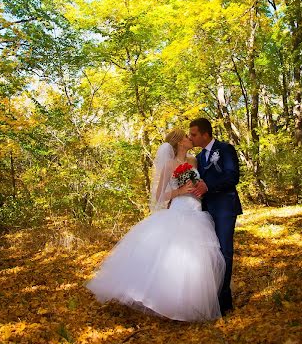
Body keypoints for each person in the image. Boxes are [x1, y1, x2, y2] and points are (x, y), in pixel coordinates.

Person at [86, 128, 226, 322]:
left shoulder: (194, 161)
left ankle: (191, 303)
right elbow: (159, 197)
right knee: (173, 256)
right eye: (186, 137)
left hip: (197, 210)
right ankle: (166, 301)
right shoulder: (169, 165)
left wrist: (199, 186)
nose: (189, 138)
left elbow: (202, 182)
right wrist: (180, 191)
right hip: (179, 209)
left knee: (196, 257)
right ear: (179, 142)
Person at [188, 118, 242, 315]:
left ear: (205, 134)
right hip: (206, 210)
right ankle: (210, 297)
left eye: (194, 134)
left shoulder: (225, 149)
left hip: (225, 207)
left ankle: (224, 300)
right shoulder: (199, 157)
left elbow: (232, 176)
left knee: (225, 251)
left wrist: (209, 186)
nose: (191, 138)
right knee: (210, 253)